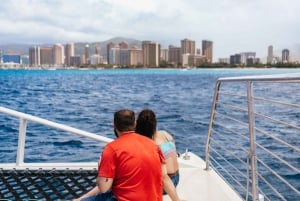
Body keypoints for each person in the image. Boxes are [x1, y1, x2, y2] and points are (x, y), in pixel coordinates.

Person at [74, 109, 178, 201]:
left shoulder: (111, 149)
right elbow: (163, 176)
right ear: (134, 124)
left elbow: (103, 188)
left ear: (114, 126)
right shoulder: (153, 145)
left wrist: (101, 170)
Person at [136, 109, 180, 193]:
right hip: (177, 177)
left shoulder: (152, 145)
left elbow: (164, 177)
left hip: (166, 186)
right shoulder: (165, 134)